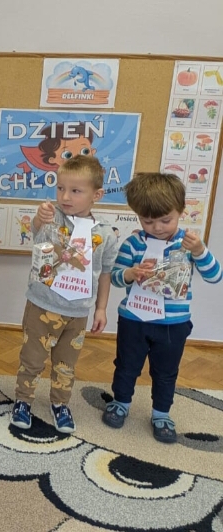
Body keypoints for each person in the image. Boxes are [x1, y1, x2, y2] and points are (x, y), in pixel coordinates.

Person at [104, 172, 220, 443]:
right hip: (134, 319)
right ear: (137, 216)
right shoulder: (133, 243)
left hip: (173, 324)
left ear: (181, 210)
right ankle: (121, 402)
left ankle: (161, 414)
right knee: (126, 365)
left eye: (165, 220)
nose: (156, 227)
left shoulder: (189, 244)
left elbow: (215, 277)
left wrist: (200, 251)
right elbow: (116, 277)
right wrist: (131, 273)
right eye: (147, 221)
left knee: (166, 372)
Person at [8, 155, 118, 433]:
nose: (65, 196)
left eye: (75, 191)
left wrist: (101, 308)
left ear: (96, 195)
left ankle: (60, 403)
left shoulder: (106, 234)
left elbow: (105, 273)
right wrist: (39, 218)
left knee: (66, 364)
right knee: (32, 359)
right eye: (60, 188)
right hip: (42, 305)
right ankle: (23, 400)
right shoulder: (52, 217)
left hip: (77, 312)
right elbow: (37, 232)